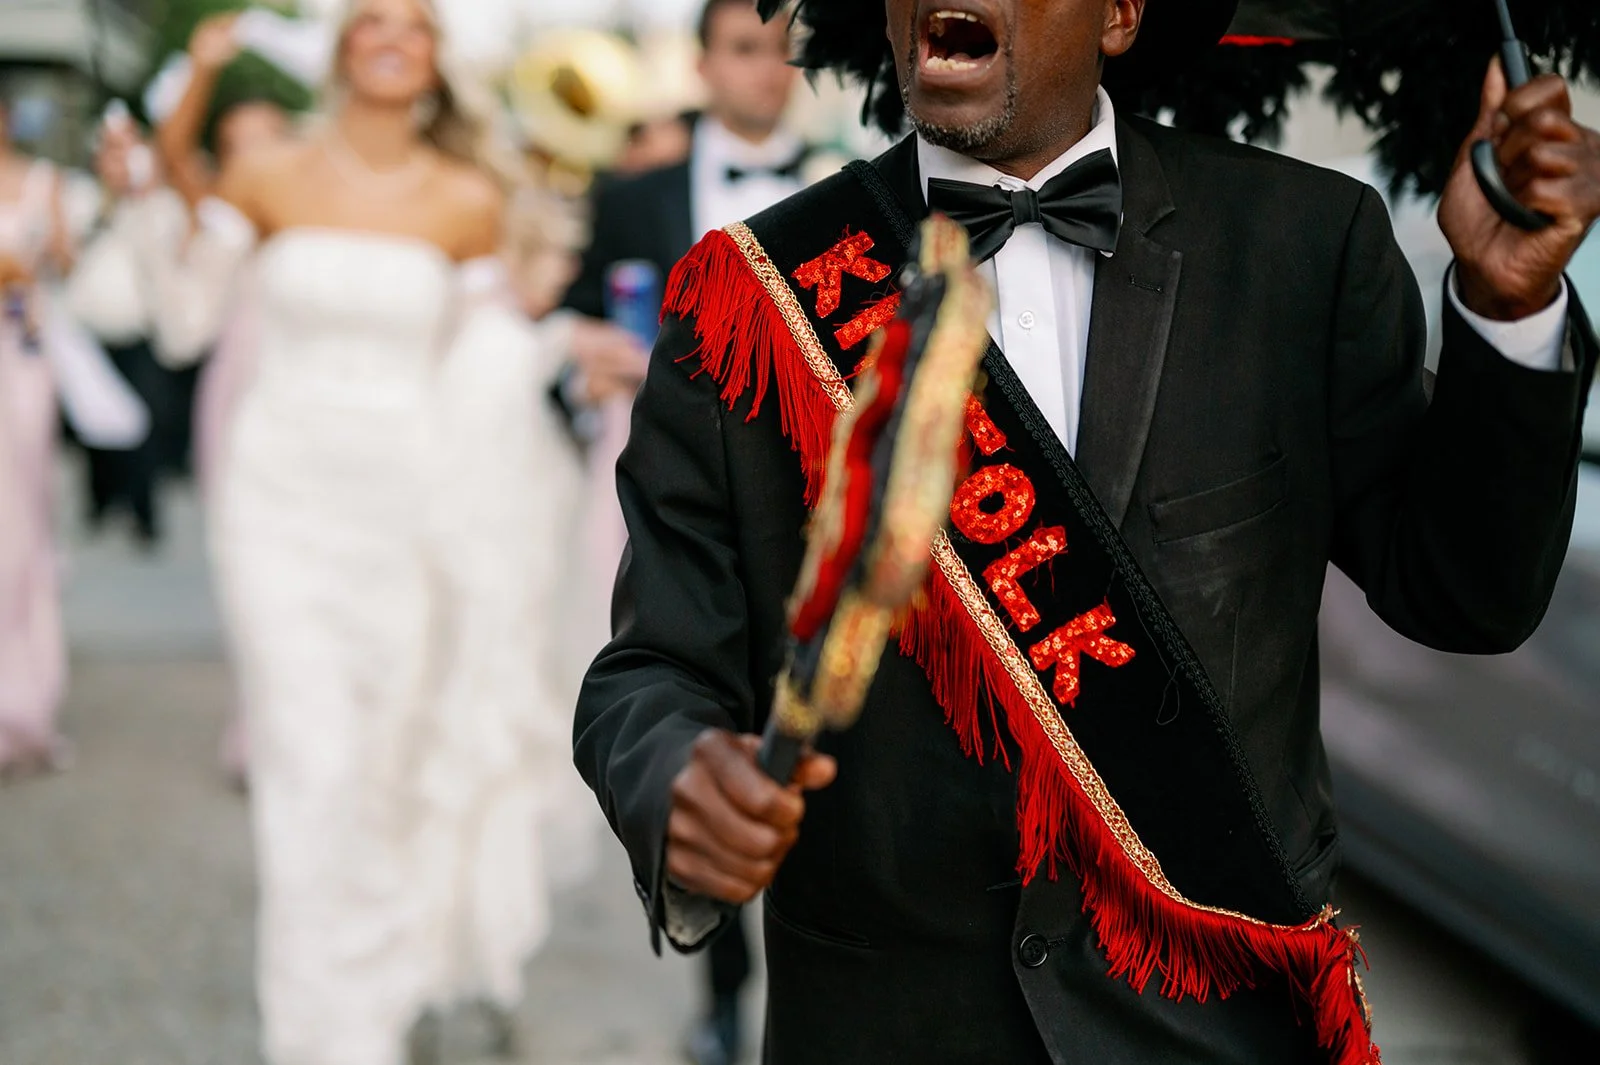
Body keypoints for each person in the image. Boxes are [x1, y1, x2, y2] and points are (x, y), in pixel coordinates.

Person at [573, 1, 1600, 1063]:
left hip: (1216, 1020)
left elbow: (1466, 593)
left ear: (1116, 14)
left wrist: (1506, 309)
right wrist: (676, 770)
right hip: (883, 1024)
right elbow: (646, 670)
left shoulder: (1302, 245)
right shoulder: (753, 300)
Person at [149, 1, 589, 1061]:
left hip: (412, 503)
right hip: (278, 504)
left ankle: (383, 1002)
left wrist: (567, 343)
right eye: (371, 20)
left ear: (436, 59)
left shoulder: (468, 199)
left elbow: (487, 358)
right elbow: (182, 322)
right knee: (308, 752)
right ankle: (313, 1032)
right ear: (343, 47)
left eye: (416, 24)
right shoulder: (268, 176)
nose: (392, 37)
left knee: (390, 748)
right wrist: (168, 196)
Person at [563, 4, 807, 1061]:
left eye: (783, 52)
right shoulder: (635, 198)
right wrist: (584, 373)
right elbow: (576, 317)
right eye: (746, 49)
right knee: (699, 734)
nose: (767, 72)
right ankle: (719, 989)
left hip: (805, 511)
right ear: (704, 63)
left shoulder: (860, 188)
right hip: (666, 501)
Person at [0, 96, 73, 777]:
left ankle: (22, 690)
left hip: (18, 356)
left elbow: (64, 264)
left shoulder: (43, 181)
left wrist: (35, 264)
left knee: (20, 520)